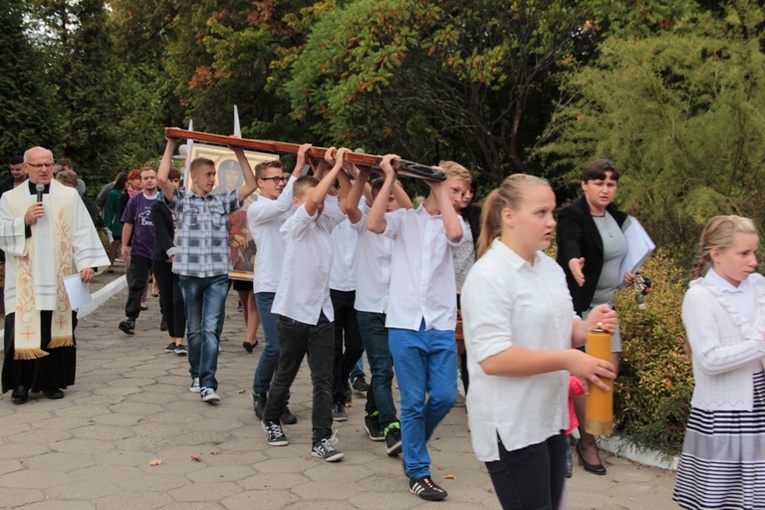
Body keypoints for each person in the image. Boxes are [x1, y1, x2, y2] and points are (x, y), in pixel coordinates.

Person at [461, 173, 617, 510]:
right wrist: (568, 359)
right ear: (509, 216)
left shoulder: (549, 268)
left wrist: (590, 326)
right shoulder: (489, 276)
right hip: (512, 423)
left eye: (552, 213)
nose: (551, 222)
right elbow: (493, 359)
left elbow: (566, 328)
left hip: (549, 417)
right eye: (540, 213)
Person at [366, 158, 469, 501]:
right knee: (411, 402)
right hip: (404, 323)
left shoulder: (457, 224)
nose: (459, 196)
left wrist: (441, 189)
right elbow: (373, 223)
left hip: (439, 323)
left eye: (462, 192)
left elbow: (454, 234)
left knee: (443, 396)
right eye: (454, 189)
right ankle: (418, 472)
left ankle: (411, 443)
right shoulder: (404, 220)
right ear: (434, 184)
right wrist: (390, 177)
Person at [260, 147, 355, 463]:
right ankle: (272, 418)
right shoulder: (294, 224)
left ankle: (321, 439)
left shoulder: (325, 224)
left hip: (322, 312)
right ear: (297, 202)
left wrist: (344, 167)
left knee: (323, 379)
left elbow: (348, 202)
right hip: (293, 312)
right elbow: (315, 199)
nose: (321, 202)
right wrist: (334, 166)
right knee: (285, 374)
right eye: (315, 197)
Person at [0, 146, 110, 404]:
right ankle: (21, 384)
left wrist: (86, 263)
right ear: (25, 168)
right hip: (25, 281)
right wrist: (23, 221)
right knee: (21, 331)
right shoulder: (10, 199)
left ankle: (51, 383)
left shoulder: (69, 196)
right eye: (38, 165)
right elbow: (2, 234)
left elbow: (82, 231)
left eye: (48, 164)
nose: (44, 170)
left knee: (57, 329)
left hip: (60, 279)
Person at [673, 215, 765, 510]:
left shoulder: (759, 287)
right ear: (717, 254)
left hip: (759, 404)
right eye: (744, 254)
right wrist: (760, 344)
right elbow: (709, 360)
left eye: (755, 253)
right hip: (725, 413)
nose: (753, 261)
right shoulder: (700, 297)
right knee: (722, 500)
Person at [157, 137, 257, 404]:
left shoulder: (221, 202)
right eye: (209, 174)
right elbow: (161, 179)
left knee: (211, 328)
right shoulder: (180, 201)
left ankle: (208, 383)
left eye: (215, 174)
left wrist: (239, 153)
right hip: (189, 275)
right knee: (195, 330)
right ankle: (197, 374)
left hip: (217, 276)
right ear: (195, 176)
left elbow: (251, 185)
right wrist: (171, 144)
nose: (213, 178)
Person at [555, 158, 636, 474]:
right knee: (582, 379)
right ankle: (586, 443)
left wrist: (627, 278)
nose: (605, 189)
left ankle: (588, 437)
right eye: (599, 182)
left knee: (604, 378)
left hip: (607, 309)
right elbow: (569, 240)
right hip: (579, 308)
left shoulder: (618, 217)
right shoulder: (572, 214)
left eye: (611, 183)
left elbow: (621, 258)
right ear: (585, 184)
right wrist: (574, 260)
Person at [348, 159, 412, 455]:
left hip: (398, 311)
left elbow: (409, 208)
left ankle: (373, 414)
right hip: (370, 309)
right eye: (380, 199)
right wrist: (364, 173)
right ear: (371, 201)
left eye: (390, 199)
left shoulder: (403, 228)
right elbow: (350, 206)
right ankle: (390, 425)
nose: (387, 204)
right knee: (382, 369)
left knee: (387, 370)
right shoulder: (364, 225)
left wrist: (392, 175)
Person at [247, 147, 312, 425]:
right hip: (268, 286)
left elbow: (305, 199)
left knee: (290, 349)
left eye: (282, 178)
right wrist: (298, 165)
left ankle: (280, 399)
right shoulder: (258, 208)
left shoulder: (286, 205)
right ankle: (260, 392)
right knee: (276, 346)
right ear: (260, 183)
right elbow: (283, 205)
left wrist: (313, 167)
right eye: (274, 179)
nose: (280, 182)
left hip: (291, 287)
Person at [117, 168, 159, 335]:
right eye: (145, 178)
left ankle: (167, 318)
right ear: (140, 181)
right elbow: (128, 223)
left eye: (152, 177)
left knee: (165, 286)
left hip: (160, 250)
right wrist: (125, 245)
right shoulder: (135, 201)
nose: (149, 181)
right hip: (140, 249)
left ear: (157, 179)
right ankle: (131, 319)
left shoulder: (164, 199)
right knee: (136, 284)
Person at [150, 168, 187, 356]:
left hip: (185, 260)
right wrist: (173, 256)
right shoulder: (158, 207)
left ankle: (180, 339)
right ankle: (173, 337)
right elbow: (162, 234)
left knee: (179, 299)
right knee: (167, 301)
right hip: (163, 259)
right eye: (169, 180)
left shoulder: (186, 204)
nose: (172, 184)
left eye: (175, 180)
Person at [102, 173, 127, 272]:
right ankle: (110, 264)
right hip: (116, 221)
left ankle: (127, 265)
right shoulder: (113, 193)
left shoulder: (130, 193)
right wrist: (107, 224)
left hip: (126, 221)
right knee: (114, 243)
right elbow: (109, 209)